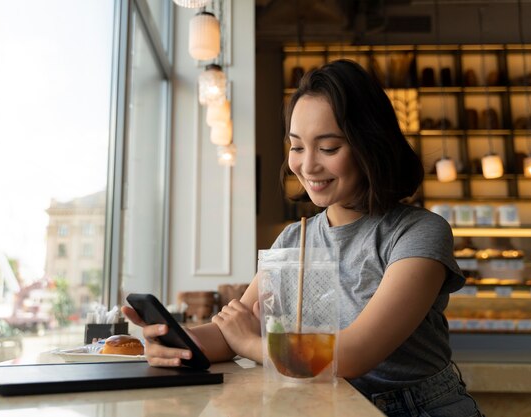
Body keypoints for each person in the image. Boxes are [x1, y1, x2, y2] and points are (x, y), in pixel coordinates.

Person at [122, 59, 484, 417]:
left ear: (371, 145)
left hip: (420, 409)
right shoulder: (295, 239)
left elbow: (353, 354)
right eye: (297, 147)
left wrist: (251, 343)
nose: (307, 166)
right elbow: (230, 327)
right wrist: (175, 343)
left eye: (328, 148)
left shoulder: (418, 232)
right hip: (330, 405)